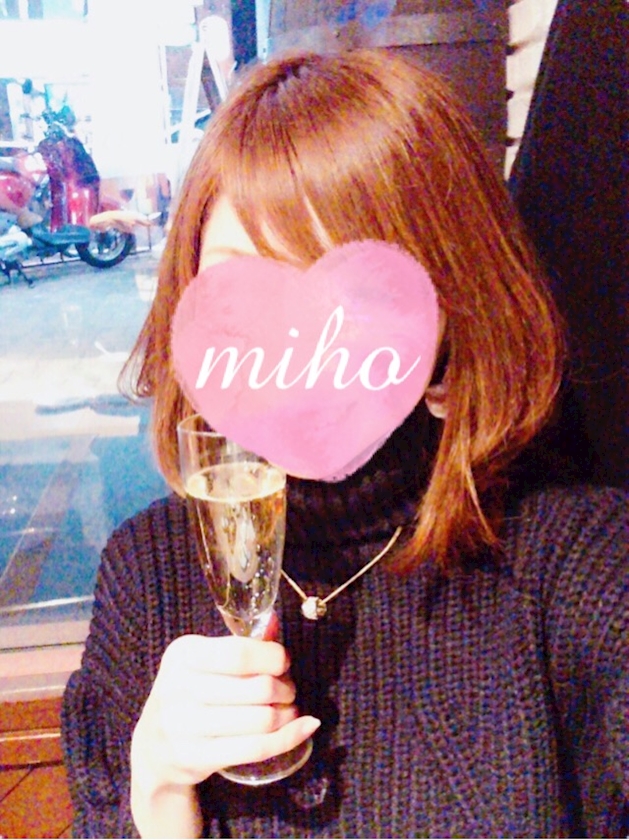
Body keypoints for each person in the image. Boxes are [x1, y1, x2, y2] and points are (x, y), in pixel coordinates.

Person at [61, 49, 628, 839]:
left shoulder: (574, 559)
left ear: (452, 309)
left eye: (354, 292)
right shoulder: (145, 572)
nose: (295, 344)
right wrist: (156, 789)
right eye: (242, 281)